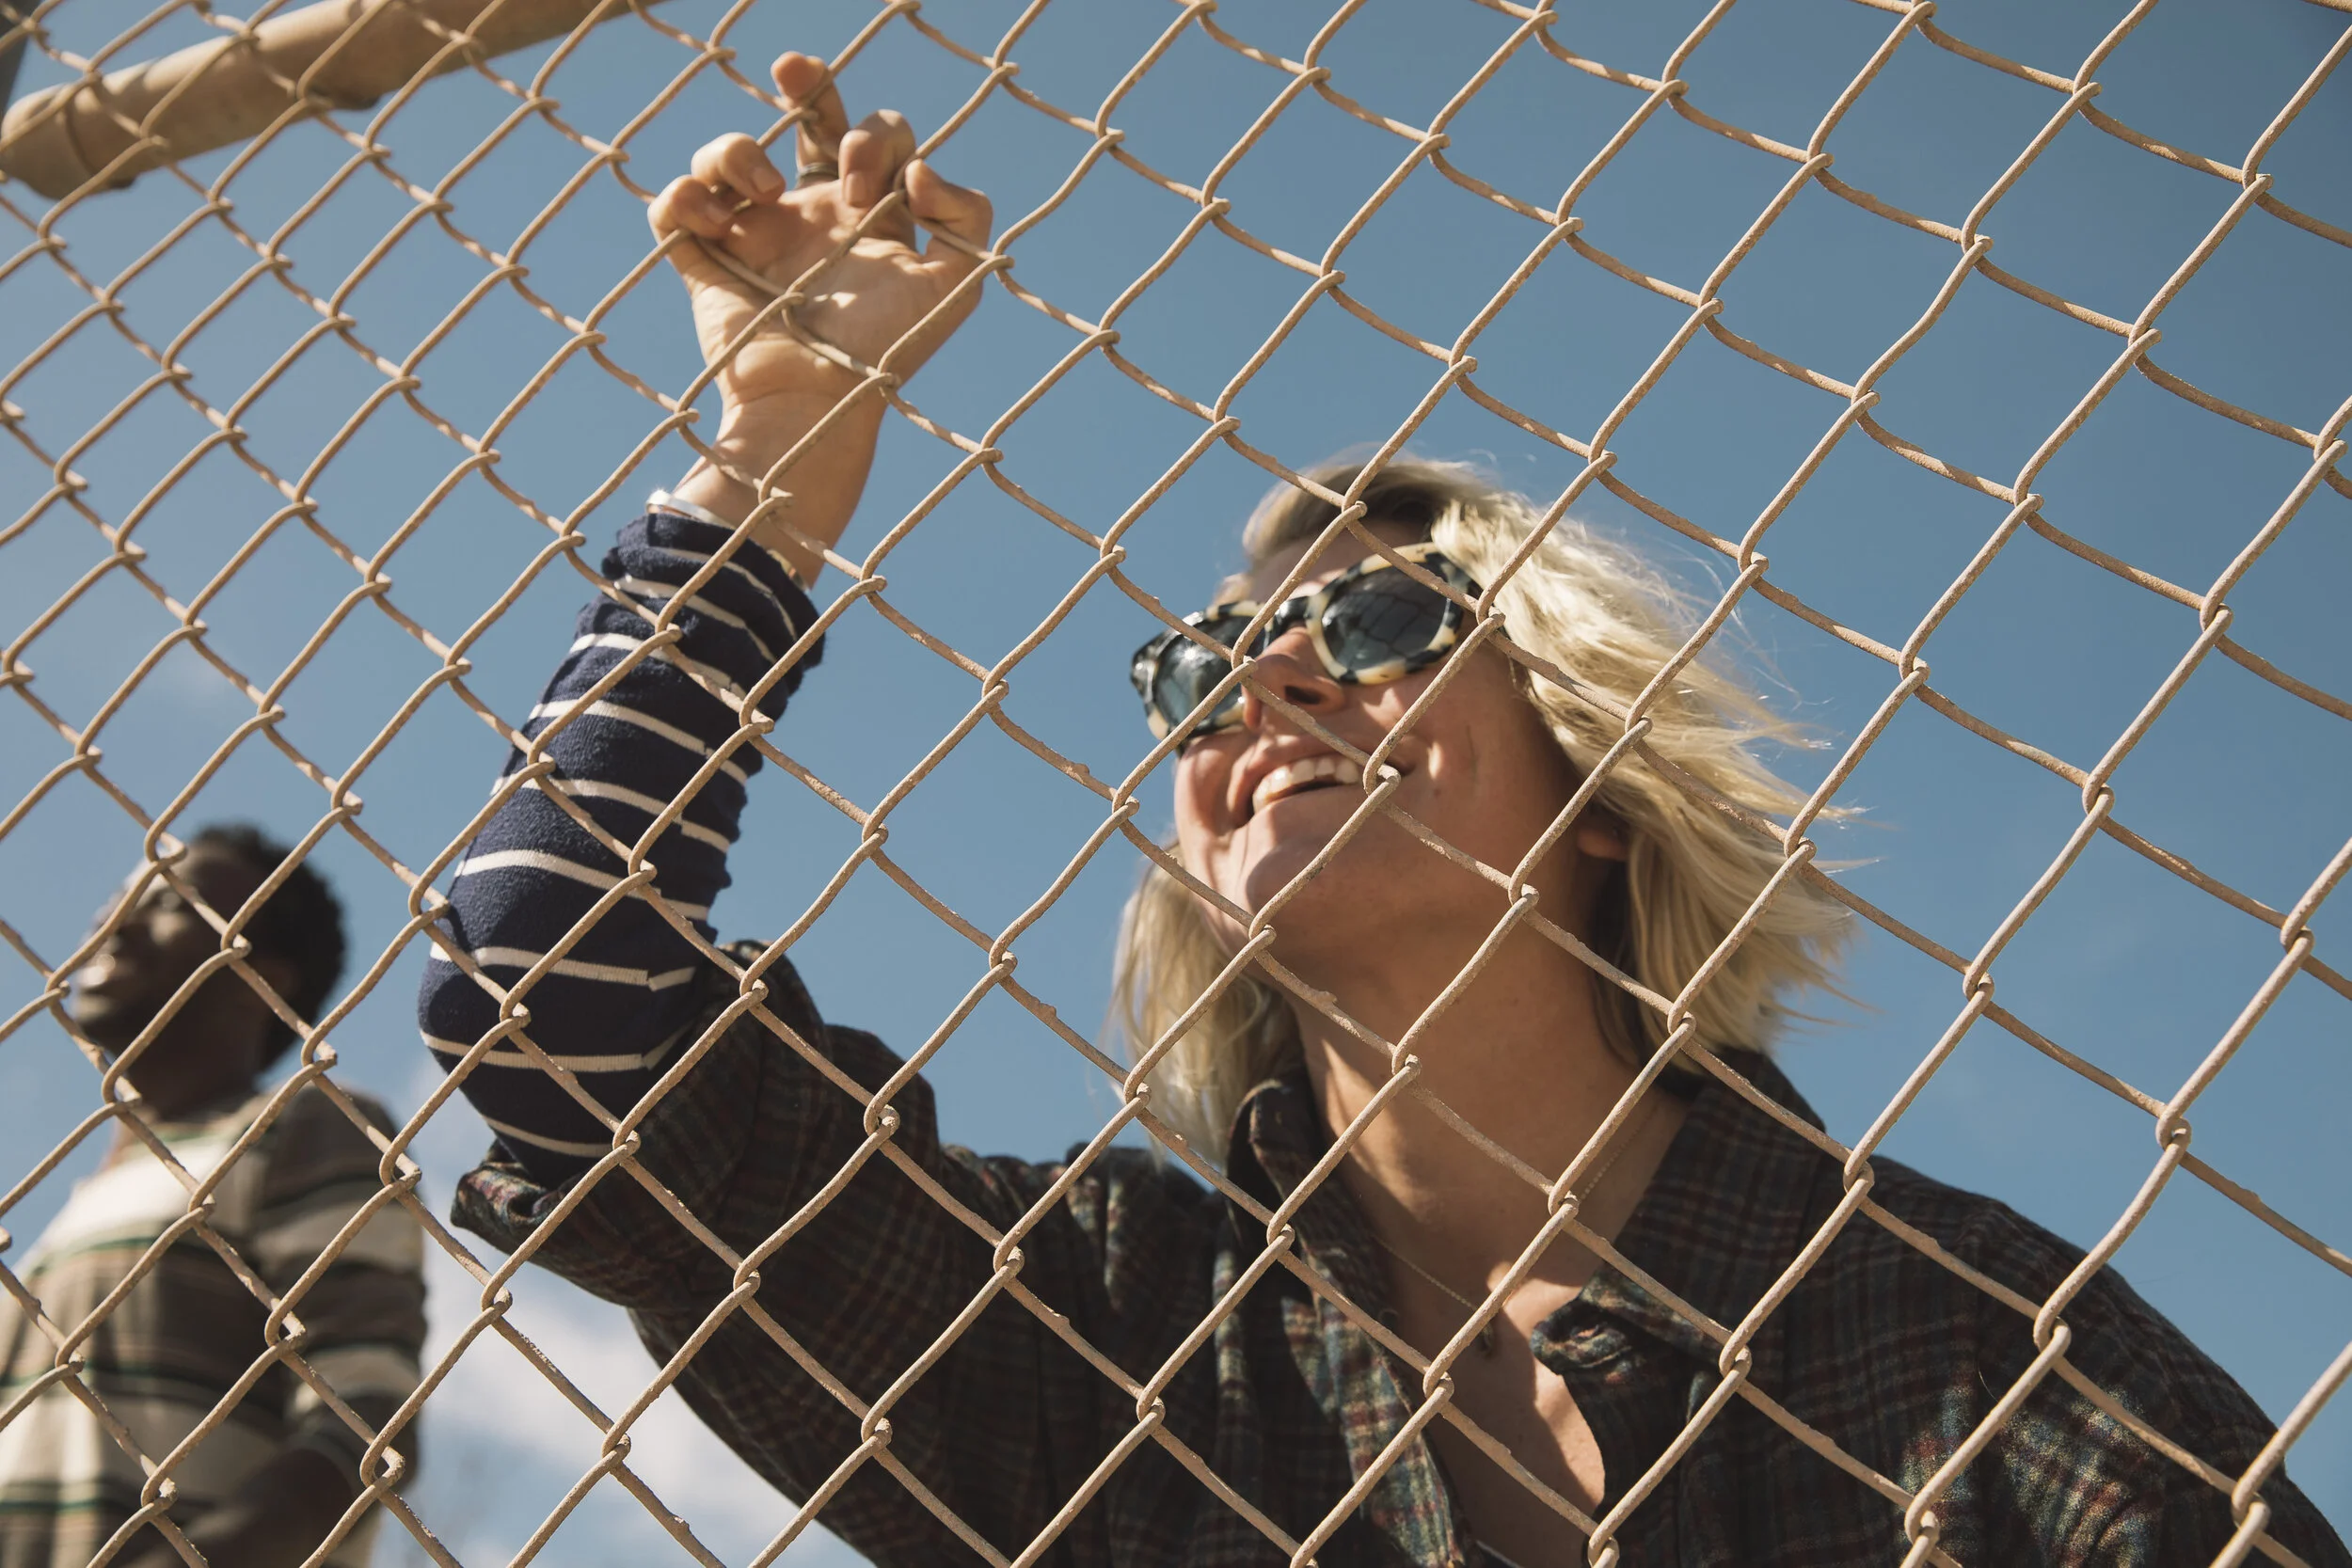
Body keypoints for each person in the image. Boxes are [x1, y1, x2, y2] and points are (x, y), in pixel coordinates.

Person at [415, 50, 2347, 1568]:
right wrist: (773, 457)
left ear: (1600, 785)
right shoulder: (1109, 1326)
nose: (1267, 684)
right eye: (1203, 666)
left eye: (1380, 623)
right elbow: (550, 1000)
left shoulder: (1974, 1349)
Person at [1, 826, 426, 1568]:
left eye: (168, 901)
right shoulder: (69, 1210)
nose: (115, 920)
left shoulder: (303, 1125)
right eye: (120, 897)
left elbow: (365, 1427)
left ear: (262, 976)